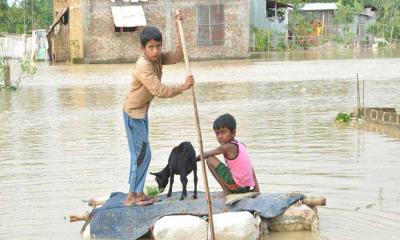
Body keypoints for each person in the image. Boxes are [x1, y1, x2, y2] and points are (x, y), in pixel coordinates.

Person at [122, 10, 194, 206]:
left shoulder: (158, 58)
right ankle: (131, 197)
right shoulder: (143, 66)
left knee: (143, 154)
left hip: (142, 112)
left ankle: (138, 192)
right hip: (133, 114)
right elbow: (159, 90)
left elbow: (178, 55)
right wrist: (182, 87)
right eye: (151, 47)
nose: (155, 51)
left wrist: (180, 25)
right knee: (141, 155)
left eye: (158, 46)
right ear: (143, 48)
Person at [201, 114, 260, 196]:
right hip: (246, 186)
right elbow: (249, 166)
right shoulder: (241, 144)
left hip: (237, 186)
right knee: (247, 164)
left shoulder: (226, 147)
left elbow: (204, 155)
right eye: (217, 133)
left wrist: (192, 158)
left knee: (209, 159)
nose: (220, 136)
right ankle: (256, 187)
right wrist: (256, 187)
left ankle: (226, 191)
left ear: (233, 132)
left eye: (223, 132)